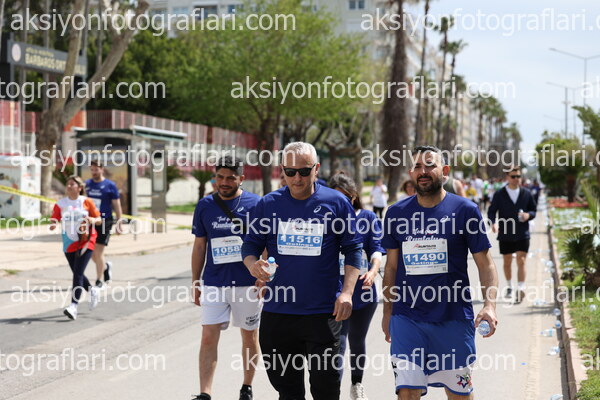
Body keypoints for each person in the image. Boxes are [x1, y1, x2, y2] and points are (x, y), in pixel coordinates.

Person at [241, 141, 363, 400]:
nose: (297, 178)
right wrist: (253, 266)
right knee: (288, 392)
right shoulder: (268, 204)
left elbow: (353, 250)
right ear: (282, 170)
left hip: (323, 314)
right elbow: (250, 246)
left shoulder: (336, 203)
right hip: (279, 315)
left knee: (326, 390)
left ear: (316, 169)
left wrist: (347, 293)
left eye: (304, 171)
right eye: (290, 171)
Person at [381, 146, 498, 399]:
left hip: (453, 319)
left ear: (444, 171)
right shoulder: (396, 213)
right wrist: (387, 311)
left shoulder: (465, 210)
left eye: (430, 165)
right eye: (417, 167)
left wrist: (490, 305)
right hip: (407, 319)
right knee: (406, 393)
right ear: (411, 173)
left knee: (459, 394)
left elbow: (486, 264)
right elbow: (391, 267)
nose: (423, 171)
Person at [191, 156, 262, 400]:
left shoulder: (256, 204)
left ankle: (246, 387)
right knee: (208, 336)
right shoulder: (205, 205)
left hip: (248, 283)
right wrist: (196, 281)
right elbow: (200, 246)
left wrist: (263, 277)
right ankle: (205, 392)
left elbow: (265, 244)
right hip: (214, 282)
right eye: (219, 177)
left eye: (230, 178)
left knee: (249, 335)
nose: (224, 182)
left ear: (241, 178)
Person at [329, 172, 385, 400]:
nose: (339, 202)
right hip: (335, 292)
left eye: (344, 197)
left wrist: (373, 271)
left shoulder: (368, 218)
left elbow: (376, 249)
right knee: (338, 343)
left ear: (353, 197)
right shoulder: (325, 219)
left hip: (363, 291)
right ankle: (333, 391)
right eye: (334, 196)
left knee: (357, 341)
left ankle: (356, 384)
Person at [50, 176, 103, 320]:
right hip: (69, 241)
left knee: (77, 274)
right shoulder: (61, 203)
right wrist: (53, 224)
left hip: (86, 240)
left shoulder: (86, 201)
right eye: (67, 184)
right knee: (76, 271)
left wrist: (93, 219)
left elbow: (99, 219)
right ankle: (92, 290)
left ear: (79, 188)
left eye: (72, 184)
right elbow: (55, 217)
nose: (69, 186)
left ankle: (73, 306)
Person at [487, 166, 537, 304]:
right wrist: (493, 223)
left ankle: (521, 288)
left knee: (521, 260)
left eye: (518, 176)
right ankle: (509, 286)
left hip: (522, 232)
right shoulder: (499, 194)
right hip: (506, 233)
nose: (516, 179)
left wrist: (528, 215)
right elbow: (492, 211)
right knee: (507, 261)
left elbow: (533, 210)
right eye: (513, 176)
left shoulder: (526, 193)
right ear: (507, 177)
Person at [85, 160, 123, 288]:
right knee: (90, 252)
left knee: (98, 250)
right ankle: (105, 267)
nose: (94, 172)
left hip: (105, 221)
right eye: (92, 170)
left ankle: (98, 280)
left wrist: (119, 223)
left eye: (96, 169)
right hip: (91, 221)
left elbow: (117, 205)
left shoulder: (110, 185)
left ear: (102, 169)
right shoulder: (87, 184)